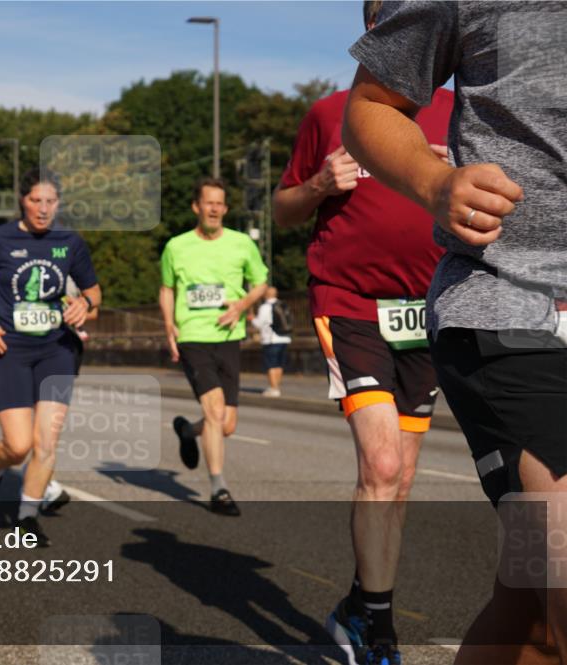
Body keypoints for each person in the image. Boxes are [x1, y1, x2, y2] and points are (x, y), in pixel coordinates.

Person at [342, 2, 566, 662]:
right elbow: (371, 106)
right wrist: (436, 182)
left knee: (530, 609)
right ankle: (372, 609)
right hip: (511, 307)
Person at [271, 3, 455, 661]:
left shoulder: (460, 111)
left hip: (426, 309)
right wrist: (320, 182)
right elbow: (283, 208)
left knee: (398, 478)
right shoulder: (330, 114)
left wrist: (449, 173)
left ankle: (358, 603)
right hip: (349, 304)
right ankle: (379, 630)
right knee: (378, 462)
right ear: (370, 27)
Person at [0, 168, 101, 546]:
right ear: (22, 201)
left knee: (46, 442)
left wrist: (84, 304)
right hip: (10, 351)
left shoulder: (70, 242)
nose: (43, 209)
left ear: (59, 204)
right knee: (19, 445)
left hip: (58, 350)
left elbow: (94, 291)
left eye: (50, 202)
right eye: (35, 201)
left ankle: (27, 517)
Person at [161, 176, 268, 517]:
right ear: (197, 206)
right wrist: (169, 326)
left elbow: (261, 282)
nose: (215, 209)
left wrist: (240, 305)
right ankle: (219, 489)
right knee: (215, 409)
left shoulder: (241, 244)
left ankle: (187, 431)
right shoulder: (176, 246)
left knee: (226, 424)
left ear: (225, 208)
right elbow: (167, 288)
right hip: (193, 336)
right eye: (209, 202)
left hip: (228, 338)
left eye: (220, 203)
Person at [251, 286, 292, 397]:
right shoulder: (283, 305)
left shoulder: (265, 307)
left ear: (265, 295)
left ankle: (274, 389)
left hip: (271, 339)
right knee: (279, 364)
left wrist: (251, 319)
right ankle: (276, 386)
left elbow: (258, 324)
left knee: (271, 364)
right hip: (284, 338)